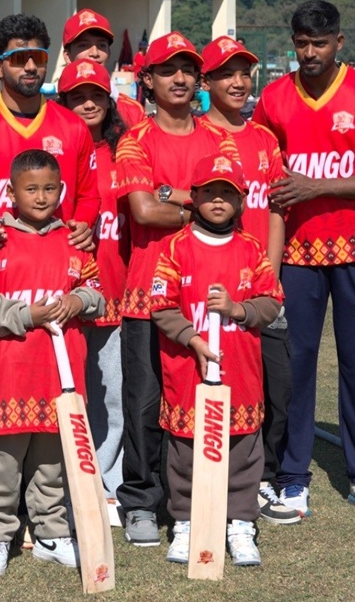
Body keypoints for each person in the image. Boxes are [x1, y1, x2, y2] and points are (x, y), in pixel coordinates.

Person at [0, 13, 100, 562]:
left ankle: (43, 519)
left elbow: (87, 195)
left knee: (54, 406)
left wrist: (82, 228)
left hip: (54, 281)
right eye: (18, 57)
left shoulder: (72, 127)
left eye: (38, 56)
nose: (30, 65)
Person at [253, 0, 355, 518]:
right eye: (301, 43)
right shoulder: (274, 98)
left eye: (320, 43)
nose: (310, 52)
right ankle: (292, 476)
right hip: (296, 254)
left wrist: (316, 187)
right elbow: (261, 170)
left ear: (339, 42)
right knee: (294, 365)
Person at [0, 149, 104, 576]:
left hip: (59, 376)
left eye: (49, 189)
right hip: (8, 373)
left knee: (52, 463)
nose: (41, 197)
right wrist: (28, 315)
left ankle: (51, 533)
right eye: (31, 189)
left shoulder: (74, 242)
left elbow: (98, 292)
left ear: (61, 191)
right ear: (11, 191)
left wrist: (79, 299)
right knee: (1, 464)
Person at [151, 154, 283, 566]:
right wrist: (192, 339)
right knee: (186, 452)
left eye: (229, 192)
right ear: (193, 197)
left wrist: (237, 310)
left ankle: (240, 523)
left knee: (242, 450)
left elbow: (271, 302)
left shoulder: (251, 249)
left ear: (242, 200)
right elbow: (161, 306)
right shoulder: (175, 248)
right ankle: (186, 523)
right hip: (187, 371)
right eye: (210, 191)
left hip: (240, 371)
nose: (219, 200)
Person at [115, 32, 219, 547]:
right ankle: (139, 499)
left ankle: (194, 497)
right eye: (167, 70)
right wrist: (200, 206)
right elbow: (143, 211)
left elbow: (232, 206)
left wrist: (168, 194)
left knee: (200, 397)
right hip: (146, 293)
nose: (179, 79)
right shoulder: (135, 140)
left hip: (205, 294)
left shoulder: (217, 139)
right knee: (143, 403)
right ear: (147, 80)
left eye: (187, 69)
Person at [198, 35, 300, 525]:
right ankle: (208, 480)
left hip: (260, 290)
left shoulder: (264, 139)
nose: (238, 82)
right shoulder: (195, 134)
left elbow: (277, 211)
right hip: (210, 293)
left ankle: (263, 478)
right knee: (213, 385)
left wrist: (270, 280)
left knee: (275, 388)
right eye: (226, 74)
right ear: (207, 81)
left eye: (244, 73)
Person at [56, 58, 129, 525]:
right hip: (63, 292)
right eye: (77, 96)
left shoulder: (126, 149)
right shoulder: (52, 150)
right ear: (62, 102)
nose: (88, 104)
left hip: (115, 286)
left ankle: (110, 483)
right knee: (67, 392)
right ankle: (64, 486)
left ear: (109, 100)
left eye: (96, 95)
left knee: (113, 395)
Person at [61, 8, 146, 128]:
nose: (95, 53)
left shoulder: (134, 112)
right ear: (67, 56)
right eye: (83, 45)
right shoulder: (52, 112)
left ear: (109, 53)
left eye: (101, 45)